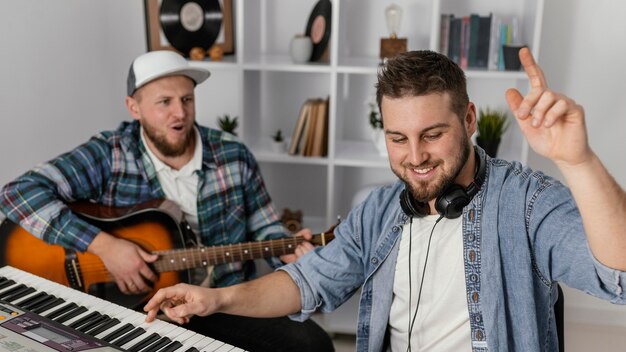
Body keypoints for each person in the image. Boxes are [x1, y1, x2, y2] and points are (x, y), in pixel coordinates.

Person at [143, 48, 626, 352]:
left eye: (432, 134)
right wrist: (217, 298)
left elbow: (618, 274)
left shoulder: (526, 201)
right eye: (398, 138)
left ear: (470, 118)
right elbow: (307, 282)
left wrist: (578, 160)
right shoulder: (379, 209)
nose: (415, 157)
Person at [0, 50, 334, 352]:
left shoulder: (233, 155)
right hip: (139, 308)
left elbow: (265, 227)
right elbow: (17, 193)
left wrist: (286, 249)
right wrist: (105, 248)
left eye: (187, 99)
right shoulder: (109, 154)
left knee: (312, 345)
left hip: (223, 301)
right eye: (165, 102)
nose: (180, 113)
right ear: (134, 108)